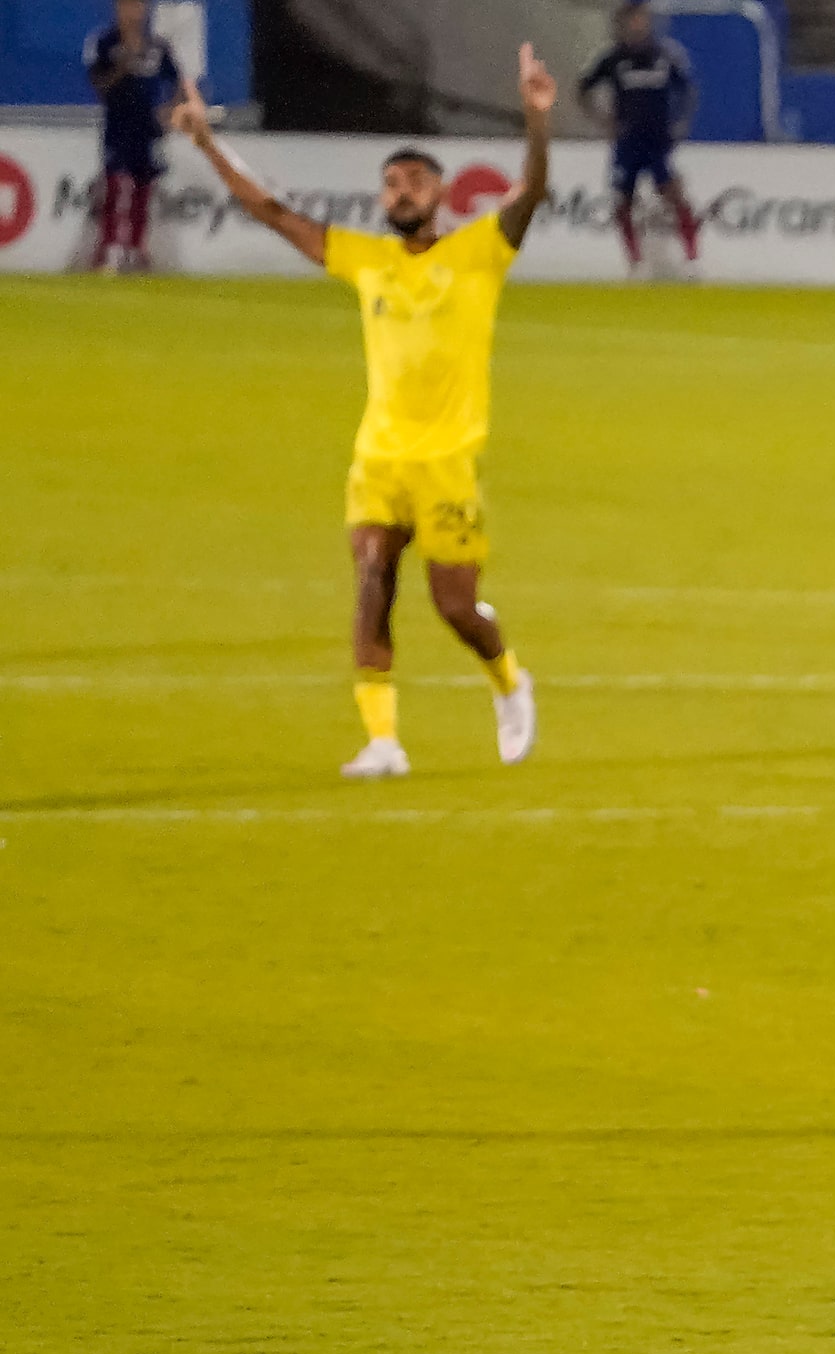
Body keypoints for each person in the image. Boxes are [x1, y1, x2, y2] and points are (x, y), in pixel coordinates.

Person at [172, 53, 548, 779]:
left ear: (440, 193)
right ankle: (383, 742)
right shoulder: (365, 258)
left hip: (445, 463)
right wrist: (207, 145)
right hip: (377, 460)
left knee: (456, 609)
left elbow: (534, 190)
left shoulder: (479, 252)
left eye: (414, 181)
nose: (401, 192)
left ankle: (508, 679)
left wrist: (536, 115)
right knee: (372, 583)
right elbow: (272, 212)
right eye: (391, 183)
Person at [579, 0, 701, 270]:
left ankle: (692, 256)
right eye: (634, 18)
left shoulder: (665, 55)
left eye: (643, 18)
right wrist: (603, 121)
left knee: (673, 194)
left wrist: (681, 122)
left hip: (657, 140)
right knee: (622, 200)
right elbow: (584, 88)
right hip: (627, 141)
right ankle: (634, 260)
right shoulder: (613, 58)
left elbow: (688, 90)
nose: (639, 23)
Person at [82, 0, 183, 273]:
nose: (132, 13)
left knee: (142, 189)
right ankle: (108, 250)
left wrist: (170, 110)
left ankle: (136, 250)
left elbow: (178, 81)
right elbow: (99, 85)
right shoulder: (105, 42)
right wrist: (121, 67)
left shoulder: (157, 47)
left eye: (137, 6)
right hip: (117, 127)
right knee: (116, 186)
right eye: (126, 6)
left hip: (148, 130)